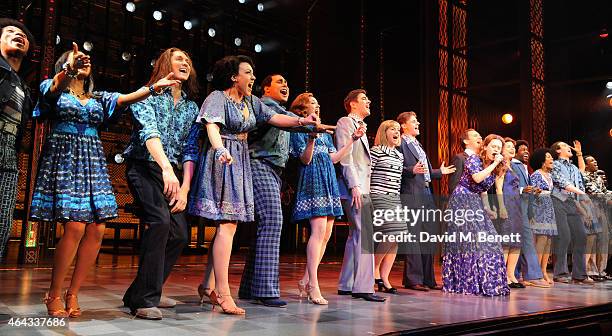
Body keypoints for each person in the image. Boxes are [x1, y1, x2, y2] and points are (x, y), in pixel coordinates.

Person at [32, 43, 180, 318]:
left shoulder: (98, 98)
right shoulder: (52, 88)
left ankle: (73, 293)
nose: (83, 63)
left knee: (98, 228)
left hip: (93, 161)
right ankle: (53, 293)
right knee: (75, 226)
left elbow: (126, 98)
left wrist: (154, 87)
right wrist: (68, 68)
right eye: (76, 60)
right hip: (65, 158)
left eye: (84, 60)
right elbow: (52, 89)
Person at [189, 55, 318, 315]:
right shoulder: (217, 97)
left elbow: (274, 119)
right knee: (228, 223)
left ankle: (207, 285)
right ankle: (223, 294)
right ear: (234, 76)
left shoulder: (251, 102)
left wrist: (302, 122)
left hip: (240, 158)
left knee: (227, 225)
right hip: (223, 158)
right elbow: (212, 127)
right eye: (248, 73)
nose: (252, 78)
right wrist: (220, 149)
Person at [238, 75, 332, 307]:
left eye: (287, 83)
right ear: (266, 87)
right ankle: (266, 290)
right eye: (279, 82)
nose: (285, 86)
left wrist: (311, 129)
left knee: (265, 224)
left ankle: (250, 287)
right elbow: (288, 119)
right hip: (259, 164)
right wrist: (309, 123)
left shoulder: (282, 113)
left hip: (273, 170)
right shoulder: (266, 106)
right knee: (272, 220)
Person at [121, 47, 199, 320]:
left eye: (188, 60)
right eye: (179, 58)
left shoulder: (192, 107)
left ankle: (145, 290)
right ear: (165, 63)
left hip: (174, 174)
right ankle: (143, 299)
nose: (185, 62)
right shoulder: (147, 95)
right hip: (145, 167)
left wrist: (186, 188)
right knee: (161, 223)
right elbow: (149, 133)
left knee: (179, 234)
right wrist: (166, 169)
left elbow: (190, 150)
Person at [289, 93, 364, 305]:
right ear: (303, 109)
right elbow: (305, 159)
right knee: (319, 230)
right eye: (313, 103)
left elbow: (334, 158)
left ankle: (305, 279)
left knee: (326, 234)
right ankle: (313, 284)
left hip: (328, 180)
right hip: (312, 180)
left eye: (318, 103)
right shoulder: (299, 129)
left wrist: (352, 140)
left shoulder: (325, 134)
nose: (317, 106)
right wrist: (311, 136)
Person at [442, 134, 510, 296]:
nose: (496, 150)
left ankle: (486, 282)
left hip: (475, 201)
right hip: (462, 199)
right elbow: (477, 178)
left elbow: (484, 190)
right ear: (485, 147)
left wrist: (487, 208)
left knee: (489, 242)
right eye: (493, 146)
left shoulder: (494, 167)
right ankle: (465, 282)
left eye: (499, 148)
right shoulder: (473, 160)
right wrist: (494, 164)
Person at [396, 111, 455, 291]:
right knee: (414, 236)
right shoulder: (400, 143)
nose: (418, 123)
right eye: (414, 121)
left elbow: (425, 172)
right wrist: (410, 169)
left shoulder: (418, 144)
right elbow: (398, 167)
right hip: (412, 193)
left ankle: (428, 278)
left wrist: (439, 172)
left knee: (428, 236)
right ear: (403, 126)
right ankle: (413, 279)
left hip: (427, 192)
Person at [336, 89, 385, 302]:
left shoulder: (360, 127)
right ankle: (364, 287)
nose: (369, 101)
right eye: (364, 99)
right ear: (352, 104)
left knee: (356, 234)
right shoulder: (346, 122)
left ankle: (346, 284)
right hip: (354, 187)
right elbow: (346, 157)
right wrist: (354, 185)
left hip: (361, 186)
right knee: (364, 233)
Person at [0, 18, 34, 262]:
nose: (18, 35)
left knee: (2, 224)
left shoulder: (23, 86)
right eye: (10, 32)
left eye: (23, 34)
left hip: (9, 153)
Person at [549, 141, 592, 284]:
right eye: (566, 146)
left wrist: (579, 153)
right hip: (558, 200)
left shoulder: (573, 166)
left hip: (572, 203)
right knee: (564, 236)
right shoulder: (555, 164)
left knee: (581, 236)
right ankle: (560, 273)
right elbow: (563, 183)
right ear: (558, 150)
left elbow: (581, 174)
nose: (569, 147)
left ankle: (579, 274)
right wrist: (582, 194)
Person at [370, 120, 404, 294]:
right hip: (379, 195)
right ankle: (374, 269)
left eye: (398, 129)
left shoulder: (399, 155)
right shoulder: (376, 151)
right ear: (384, 132)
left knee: (397, 237)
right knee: (391, 232)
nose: (397, 132)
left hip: (394, 197)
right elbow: (369, 174)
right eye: (393, 129)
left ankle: (384, 277)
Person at [510, 140, 550, 288]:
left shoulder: (524, 167)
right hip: (516, 207)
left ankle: (517, 274)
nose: (526, 152)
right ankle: (533, 275)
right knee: (527, 241)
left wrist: (533, 190)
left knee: (519, 243)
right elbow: (511, 186)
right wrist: (523, 190)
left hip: (525, 208)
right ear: (515, 151)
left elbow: (524, 187)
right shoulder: (513, 165)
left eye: (527, 149)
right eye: (522, 149)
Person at [485, 138, 524, 288]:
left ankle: (511, 275)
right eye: (508, 147)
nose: (512, 149)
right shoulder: (501, 165)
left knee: (516, 242)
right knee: (507, 241)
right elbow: (499, 188)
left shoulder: (513, 166)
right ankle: (503, 276)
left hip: (516, 205)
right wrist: (501, 207)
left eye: (513, 147)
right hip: (506, 203)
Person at [529, 148, 558, 285]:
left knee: (548, 242)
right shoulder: (536, 175)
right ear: (542, 160)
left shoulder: (550, 176)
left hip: (549, 208)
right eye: (548, 157)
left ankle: (544, 270)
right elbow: (532, 193)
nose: (552, 159)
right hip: (539, 208)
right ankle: (537, 272)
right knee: (541, 240)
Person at [582, 155, 612, 281]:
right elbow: (594, 193)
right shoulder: (584, 176)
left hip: (601, 210)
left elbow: (605, 192)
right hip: (590, 210)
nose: (596, 162)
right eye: (592, 161)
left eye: (595, 160)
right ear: (586, 165)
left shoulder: (598, 178)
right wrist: (607, 198)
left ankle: (601, 270)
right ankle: (590, 270)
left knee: (603, 241)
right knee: (591, 242)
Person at [449, 128, 482, 194]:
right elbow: (454, 184)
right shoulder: (459, 158)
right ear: (466, 141)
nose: (480, 137)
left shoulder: (481, 160)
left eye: (480, 136)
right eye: (475, 136)